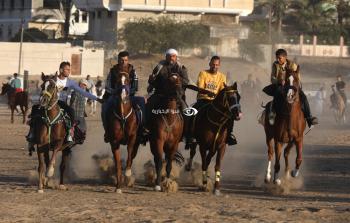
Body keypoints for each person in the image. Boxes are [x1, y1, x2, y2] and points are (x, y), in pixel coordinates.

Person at [26, 62, 103, 149]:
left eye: (69, 69)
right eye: (67, 69)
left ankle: (70, 134)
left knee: (72, 112)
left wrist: (97, 99)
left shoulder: (70, 82)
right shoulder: (53, 80)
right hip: (49, 102)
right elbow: (45, 89)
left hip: (62, 104)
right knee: (35, 109)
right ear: (61, 70)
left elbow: (83, 92)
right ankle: (31, 134)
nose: (69, 71)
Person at [186, 55, 237, 146]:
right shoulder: (203, 73)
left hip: (216, 102)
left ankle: (229, 135)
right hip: (203, 99)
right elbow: (200, 87)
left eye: (217, 65)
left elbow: (222, 91)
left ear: (219, 65)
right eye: (213, 64)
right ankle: (190, 135)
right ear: (209, 64)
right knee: (193, 112)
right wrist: (208, 92)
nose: (214, 66)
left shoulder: (222, 76)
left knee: (230, 114)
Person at [263, 49, 318, 128]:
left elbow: (298, 78)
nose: (278, 60)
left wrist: (294, 86)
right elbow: (272, 78)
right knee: (277, 94)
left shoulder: (293, 65)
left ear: (285, 57)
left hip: (293, 85)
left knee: (304, 97)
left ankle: (309, 118)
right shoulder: (275, 65)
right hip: (280, 86)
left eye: (280, 58)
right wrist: (279, 80)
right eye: (277, 58)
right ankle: (272, 114)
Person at [101, 51, 145, 142]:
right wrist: (115, 92)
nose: (123, 62)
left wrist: (127, 93)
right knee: (105, 106)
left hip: (129, 97)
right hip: (115, 96)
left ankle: (142, 128)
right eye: (121, 60)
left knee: (141, 101)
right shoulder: (113, 71)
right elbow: (108, 86)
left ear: (128, 60)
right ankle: (107, 131)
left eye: (125, 60)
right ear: (118, 60)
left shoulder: (132, 70)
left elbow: (135, 86)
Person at [144, 48, 189, 136]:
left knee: (186, 112)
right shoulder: (159, 67)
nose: (171, 58)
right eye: (169, 56)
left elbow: (186, 81)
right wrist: (152, 80)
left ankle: (186, 134)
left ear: (176, 57)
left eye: (173, 56)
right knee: (148, 107)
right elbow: (154, 80)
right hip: (160, 94)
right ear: (166, 57)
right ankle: (145, 129)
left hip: (177, 96)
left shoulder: (181, 68)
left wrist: (177, 80)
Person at [69, 79, 90, 144]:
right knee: (78, 129)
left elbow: (82, 105)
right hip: (76, 115)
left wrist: (84, 113)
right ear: (81, 84)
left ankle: (78, 140)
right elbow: (73, 104)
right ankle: (72, 140)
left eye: (85, 86)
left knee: (83, 129)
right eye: (84, 85)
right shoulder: (76, 92)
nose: (85, 87)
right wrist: (73, 115)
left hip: (81, 114)